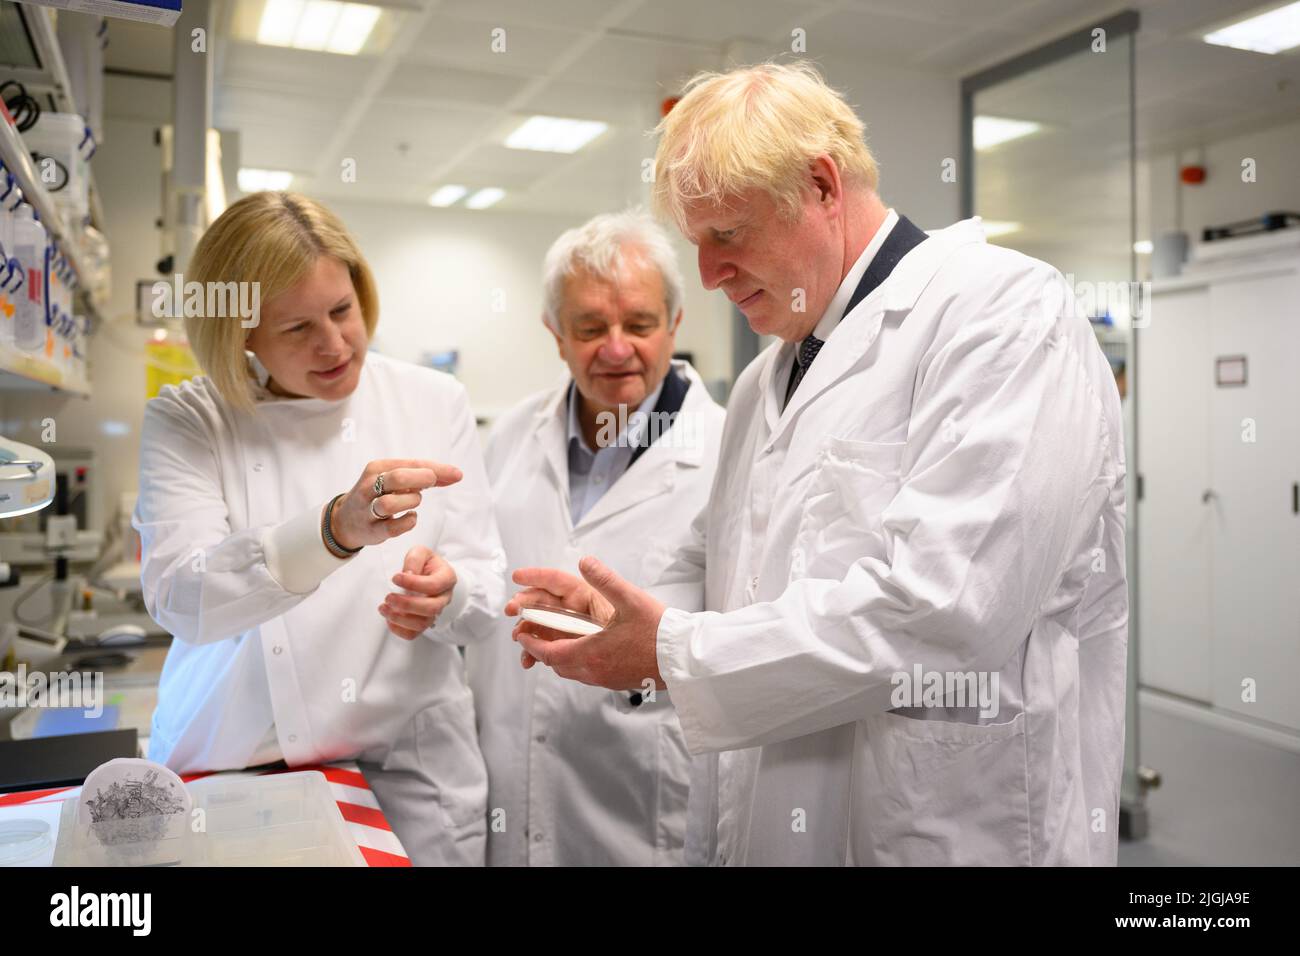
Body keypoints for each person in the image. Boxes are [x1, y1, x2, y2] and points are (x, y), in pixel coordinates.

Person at [508, 62, 1129, 866]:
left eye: (727, 235)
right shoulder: (773, 374)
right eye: (697, 243)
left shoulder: (1003, 314)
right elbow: (733, 572)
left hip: (944, 828)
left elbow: (948, 611)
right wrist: (623, 617)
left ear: (823, 186)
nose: (708, 274)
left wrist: (670, 652)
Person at [134, 191, 505, 865]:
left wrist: (448, 595)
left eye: (342, 310)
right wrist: (333, 530)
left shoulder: (431, 401)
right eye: (297, 329)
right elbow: (182, 599)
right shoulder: (192, 421)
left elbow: (483, 587)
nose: (335, 344)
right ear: (240, 334)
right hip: (235, 769)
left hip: (409, 778)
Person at [466, 209, 725, 865]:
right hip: (513, 793)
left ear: (674, 324)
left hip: (647, 804)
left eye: (639, 324)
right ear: (555, 334)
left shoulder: (727, 453)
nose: (616, 348)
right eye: (589, 328)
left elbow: (754, 640)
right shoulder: (511, 437)